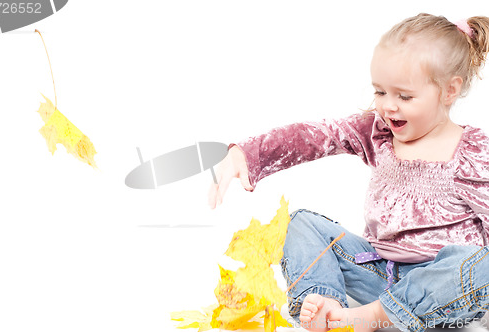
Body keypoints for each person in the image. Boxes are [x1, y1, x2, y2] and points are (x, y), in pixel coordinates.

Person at [208, 13, 489, 332]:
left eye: (405, 96)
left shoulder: (474, 153)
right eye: (381, 92)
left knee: (482, 265)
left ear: (449, 92)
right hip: (380, 278)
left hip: (444, 294)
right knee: (300, 223)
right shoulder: (379, 132)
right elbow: (317, 136)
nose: (388, 106)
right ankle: (325, 304)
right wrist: (248, 154)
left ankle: (374, 317)